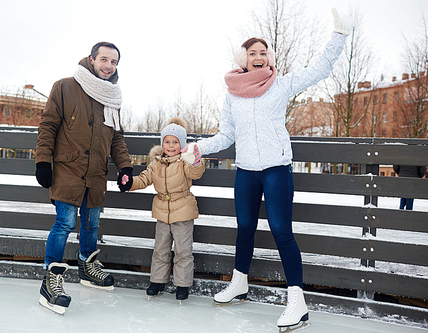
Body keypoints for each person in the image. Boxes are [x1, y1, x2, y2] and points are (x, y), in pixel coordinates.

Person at [182, 8, 352, 331]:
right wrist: (199, 148)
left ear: (269, 58)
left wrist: (340, 35)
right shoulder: (232, 94)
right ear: (243, 59)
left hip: (276, 170)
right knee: (244, 227)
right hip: (246, 171)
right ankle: (239, 282)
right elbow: (227, 135)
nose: (258, 57)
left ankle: (298, 302)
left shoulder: (281, 84)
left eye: (263, 52)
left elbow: (320, 69)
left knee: (281, 230)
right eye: (252, 53)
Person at [34, 41, 134, 315]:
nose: (108, 66)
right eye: (104, 59)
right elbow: (48, 125)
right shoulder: (65, 86)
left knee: (91, 225)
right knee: (65, 223)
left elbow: (116, 138)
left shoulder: (112, 97)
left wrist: (124, 167)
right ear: (92, 59)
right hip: (68, 171)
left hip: (96, 174)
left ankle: (87, 268)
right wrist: (43, 160)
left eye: (113, 62)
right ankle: (50, 280)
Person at [120, 118, 205, 303]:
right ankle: (157, 281)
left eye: (175, 142)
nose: (171, 145)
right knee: (160, 249)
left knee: (183, 250)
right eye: (167, 141)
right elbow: (144, 178)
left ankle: (182, 284)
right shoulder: (156, 163)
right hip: (161, 212)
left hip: (182, 210)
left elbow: (195, 173)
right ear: (162, 143)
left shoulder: (184, 162)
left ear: (181, 144)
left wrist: (196, 162)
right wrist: (129, 183)